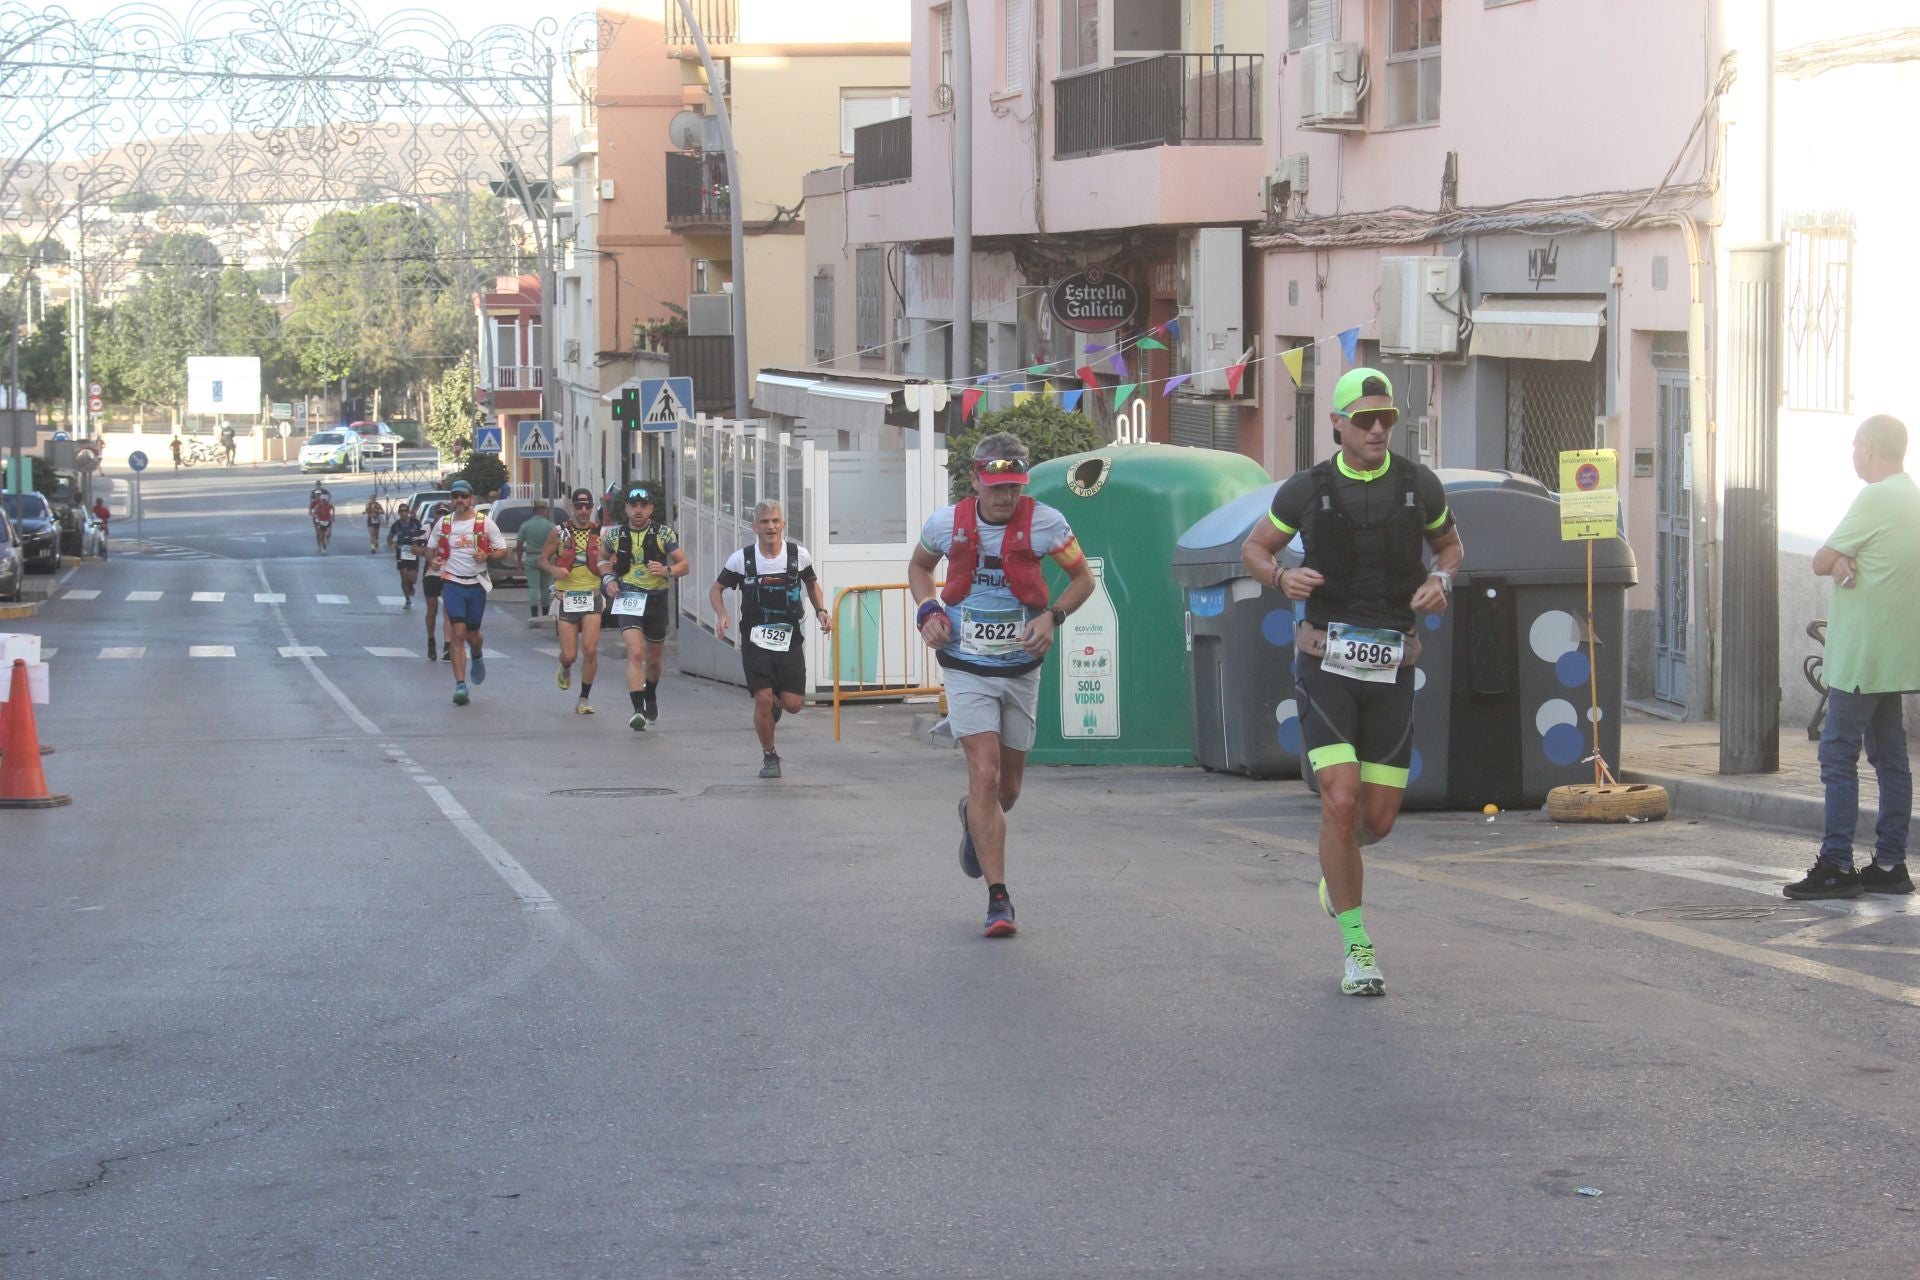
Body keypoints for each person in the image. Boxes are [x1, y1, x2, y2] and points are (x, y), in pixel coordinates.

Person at [1240, 367, 1464, 996]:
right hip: (1324, 663)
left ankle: (1337, 867)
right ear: (1335, 422)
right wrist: (1281, 578)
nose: (1375, 427)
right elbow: (1255, 550)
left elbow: (1450, 548)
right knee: (1339, 802)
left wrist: (1441, 581)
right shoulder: (1305, 490)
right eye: (1363, 418)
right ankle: (1357, 946)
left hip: (1392, 666)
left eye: (1385, 418)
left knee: (1378, 819)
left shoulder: (1420, 485)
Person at [908, 433, 1094, 938]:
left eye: (1013, 486)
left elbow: (1082, 580)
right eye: (995, 487)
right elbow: (920, 569)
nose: (1005, 497)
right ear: (975, 480)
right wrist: (928, 610)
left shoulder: (1049, 524)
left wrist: (1053, 618)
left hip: (1019, 671)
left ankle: (974, 816)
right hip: (965, 664)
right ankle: (999, 900)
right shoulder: (944, 524)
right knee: (984, 773)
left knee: (1006, 789)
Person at [1786, 414, 1920, 900]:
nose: (1852, 455)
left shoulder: (1876, 496)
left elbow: (1821, 560)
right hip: (1895, 655)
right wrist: (1845, 558)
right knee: (1890, 758)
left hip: (1861, 656)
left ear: (1868, 448)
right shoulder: (1912, 496)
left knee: (1838, 754)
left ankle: (1837, 864)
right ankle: (1889, 862)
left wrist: (1839, 558)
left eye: (1854, 447)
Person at [711, 500, 833, 779]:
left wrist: (821, 611)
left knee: (793, 704)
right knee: (763, 697)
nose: (771, 527)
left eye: (775, 521)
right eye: (765, 522)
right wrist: (721, 614)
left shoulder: (798, 555)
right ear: (755, 527)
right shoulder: (742, 559)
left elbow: (812, 584)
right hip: (755, 637)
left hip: (789, 636)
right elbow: (716, 589)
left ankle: (776, 705)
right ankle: (770, 755)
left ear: (783, 525)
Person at [600, 481, 689, 731]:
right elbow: (601, 559)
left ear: (651, 508)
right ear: (626, 508)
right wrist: (607, 579)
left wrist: (667, 569)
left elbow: (685, 565)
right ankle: (637, 709)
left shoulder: (664, 534)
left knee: (654, 660)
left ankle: (650, 694)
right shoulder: (615, 535)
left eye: (643, 506)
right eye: (633, 506)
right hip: (628, 597)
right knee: (635, 653)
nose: (638, 511)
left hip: (656, 599)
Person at [427, 480, 507, 705]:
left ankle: (478, 654)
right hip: (452, 583)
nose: (459, 500)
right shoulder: (444, 523)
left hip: (476, 585)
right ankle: (460, 685)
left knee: (473, 636)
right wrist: (433, 560)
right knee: (458, 633)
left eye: (463, 496)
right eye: (455, 496)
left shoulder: (484, 523)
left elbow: (502, 550)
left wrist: (488, 556)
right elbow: (430, 548)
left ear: (471, 498)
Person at [540, 489, 606, 714]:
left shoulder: (602, 533)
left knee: (590, 649)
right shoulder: (559, 533)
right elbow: (541, 560)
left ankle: (584, 699)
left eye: (587, 506)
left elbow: (612, 559)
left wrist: (610, 570)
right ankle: (565, 666)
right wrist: (553, 569)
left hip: (592, 596)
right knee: (570, 654)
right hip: (566, 597)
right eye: (579, 506)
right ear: (572, 507)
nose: (584, 511)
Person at [421, 502, 451, 660]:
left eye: (445, 513)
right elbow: (414, 547)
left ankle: (447, 646)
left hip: (449, 574)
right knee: (432, 610)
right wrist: (430, 556)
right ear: (435, 514)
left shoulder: (454, 529)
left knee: (449, 610)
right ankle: (431, 641)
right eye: (439, 513)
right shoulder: (427, 528)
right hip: (431, 574)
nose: (442, 516)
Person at [516, 498, 556, 619]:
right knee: (545, 587)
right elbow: (557, 543)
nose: (547, 511)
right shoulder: (551, 526)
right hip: (546, 558)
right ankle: (545, 612)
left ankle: (534, 613)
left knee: (533, 587)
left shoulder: (526, 525)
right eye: (546, 509)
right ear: (542, 510)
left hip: (531, 557)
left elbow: (519, 543)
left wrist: (519, 560)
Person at [388, 502, 425, 610]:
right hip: (401, 552)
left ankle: (410, 585)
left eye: (405, 511)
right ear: (399, 513)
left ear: (408, 512)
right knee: (404, 575)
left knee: (412, 578)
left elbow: (423, 533)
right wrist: (392, 544)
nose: (403, 513)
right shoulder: (396, 525)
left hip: (413, 552)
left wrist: (421, 545)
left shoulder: (415, 523)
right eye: (401, 511)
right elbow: (390, 537)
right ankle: (407, 599)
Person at [310, 489, 334, 554]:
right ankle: (319, 547)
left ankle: (327, 538)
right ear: (315, 495)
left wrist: (332, 516)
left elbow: (331, 507)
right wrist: (314, 514)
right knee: (318, 534)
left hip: (326, 519)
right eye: (317, 494)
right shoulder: (314, 502)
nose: (318, 495)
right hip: (317, 520)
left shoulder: (325, 502)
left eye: (319, 494)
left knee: (327, 534)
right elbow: (311, 511)